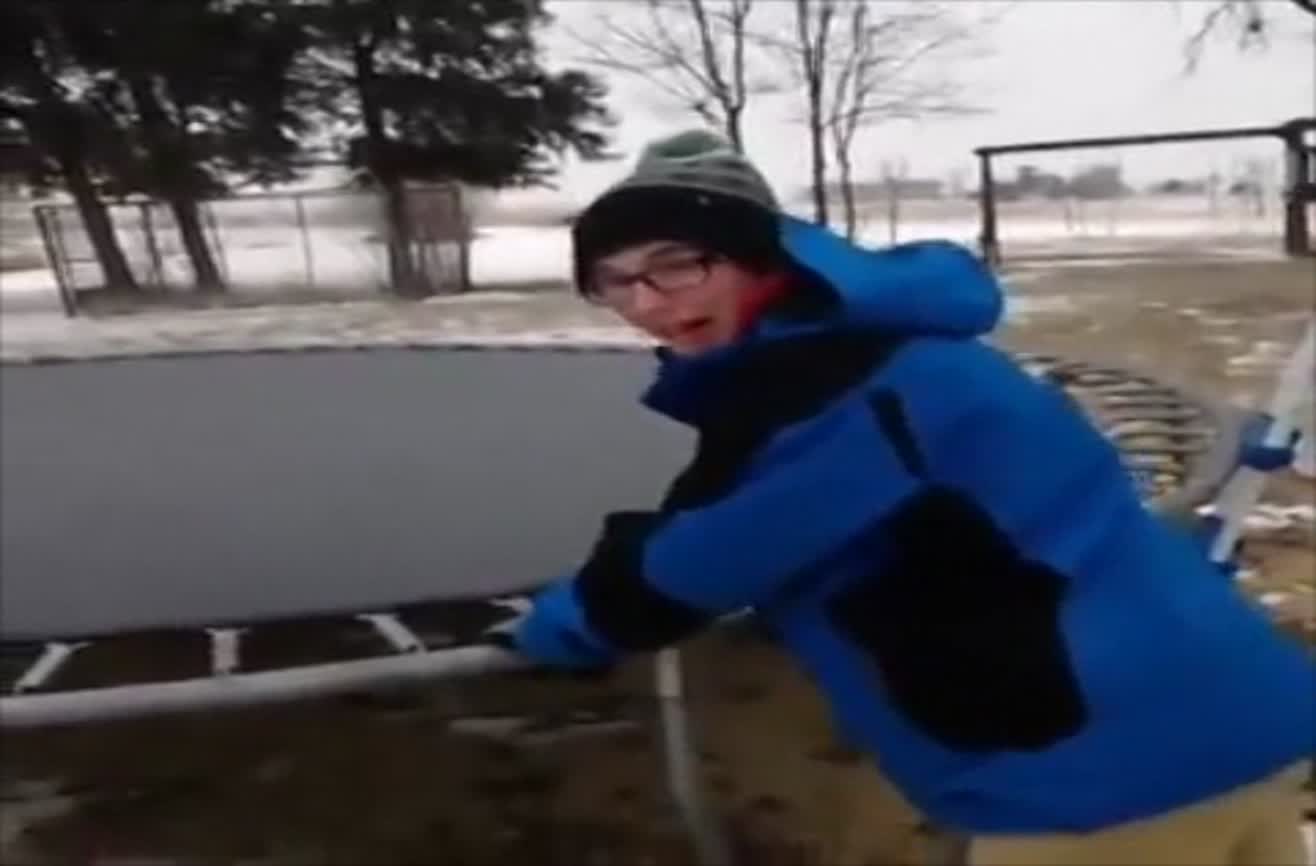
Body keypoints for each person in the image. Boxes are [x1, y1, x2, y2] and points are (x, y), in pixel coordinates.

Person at [497, 129, 1315, 866]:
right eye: (614, 281)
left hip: (1106, 776)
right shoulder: (899, 351)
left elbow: (693, 568)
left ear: (760, 257)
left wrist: (554, 627)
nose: (646, 301)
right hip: (1232, 708)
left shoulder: (835, 391)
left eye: (678, 263)